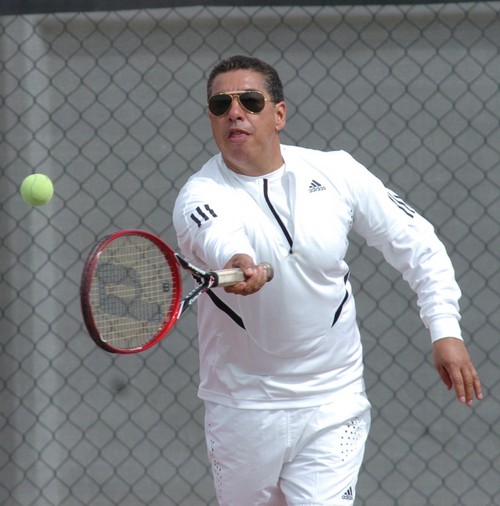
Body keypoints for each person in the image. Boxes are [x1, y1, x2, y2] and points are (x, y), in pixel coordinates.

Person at [172, 55, 483, 506]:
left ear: (279, 114)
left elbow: (417, 244)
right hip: (243, 408)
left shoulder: (337, 172)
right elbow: (218, 234)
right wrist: (238, 259)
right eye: (221, 105)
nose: (235, 113)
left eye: (250, 101)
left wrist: (445, 329)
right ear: (211, 118)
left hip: (334, 401)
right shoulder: (199, 196)